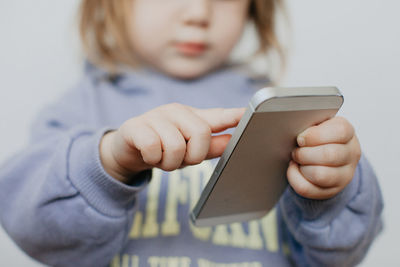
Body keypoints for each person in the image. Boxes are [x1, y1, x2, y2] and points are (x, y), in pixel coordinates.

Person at [0, 0, 383, 266]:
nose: (198, 13)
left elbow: (341, 255)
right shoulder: (81, 108)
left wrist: (330, 191)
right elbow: (35, 232)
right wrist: (110, 161)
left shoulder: (280, 116)